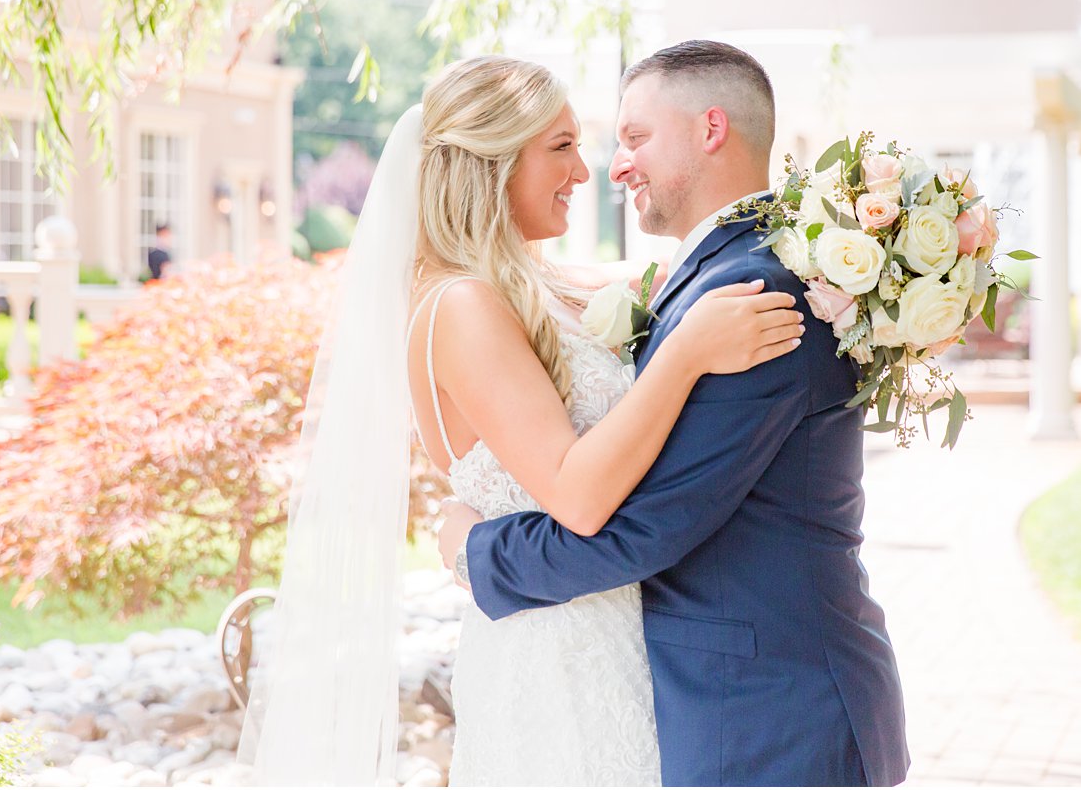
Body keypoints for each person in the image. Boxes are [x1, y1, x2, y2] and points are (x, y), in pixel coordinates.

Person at [237, 54, 804, 785]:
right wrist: (685, 355)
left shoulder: (541, 284)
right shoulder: (461, 305)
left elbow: (691, 267)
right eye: (561, 148)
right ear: (493, 161)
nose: (586, 171)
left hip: (621, 638)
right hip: (556, 662)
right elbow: (575, 493)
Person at [439, 40, 911, 786]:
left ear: (710, 129)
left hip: (773, 720)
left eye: (634, 138)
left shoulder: (756, 295)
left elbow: (646, 524)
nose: (613, 166)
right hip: (730, 703)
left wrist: (476, 551)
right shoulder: (718, 276)